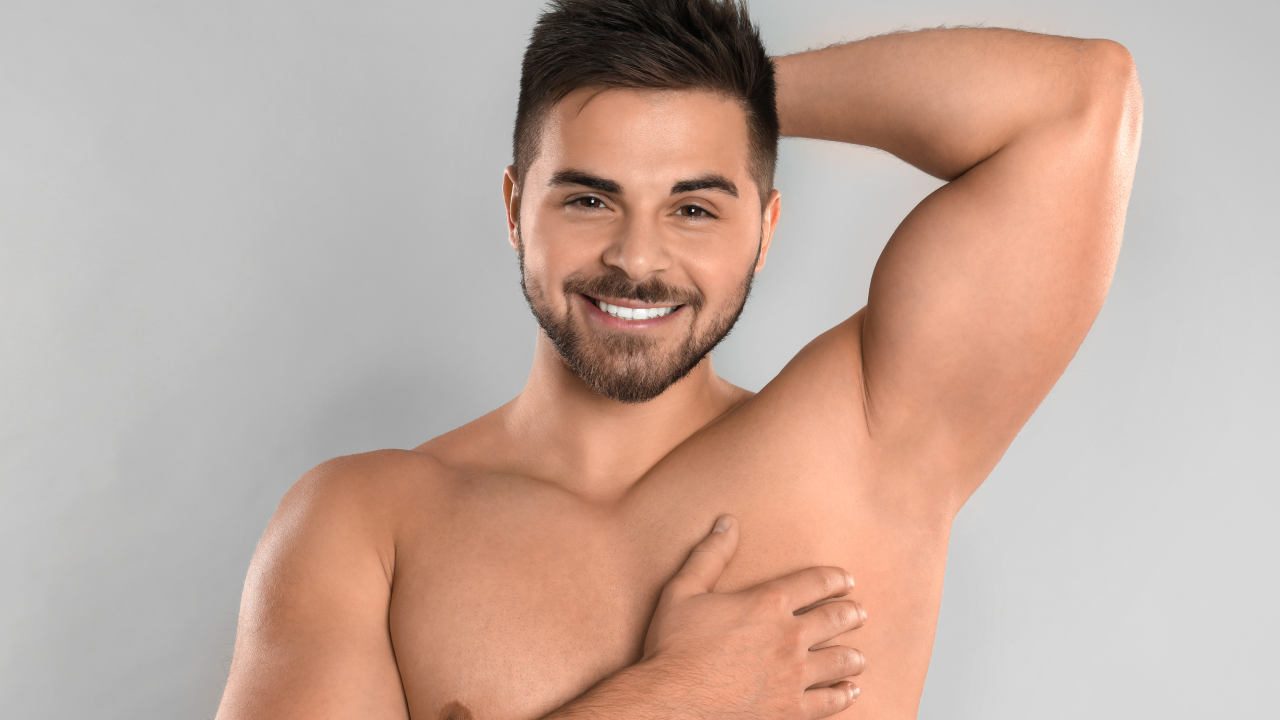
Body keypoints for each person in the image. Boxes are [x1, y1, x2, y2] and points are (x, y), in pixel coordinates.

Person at [215, 1, 1141, 718]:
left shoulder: (867, 439)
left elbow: (1077, 102)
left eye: (694, 207)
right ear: (514, 210)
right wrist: (677, 695)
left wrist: (731, 106)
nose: (638, 258)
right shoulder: (366, 527)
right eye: (589, 199)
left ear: (765, 229)